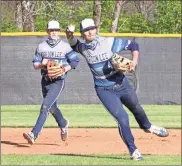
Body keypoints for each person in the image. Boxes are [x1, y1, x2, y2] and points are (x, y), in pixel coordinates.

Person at [65, 18, 168, 160]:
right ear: (82, 33)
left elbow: (133, 45)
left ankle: (148, 127)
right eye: (86, 30)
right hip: (104, 89)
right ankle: (134, 151)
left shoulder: (107, 42)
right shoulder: (83, 48)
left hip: (121, 83)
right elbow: (72, 43)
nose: (90, 32)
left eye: (92, 28)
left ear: (96, 29)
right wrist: (69, 34)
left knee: (137, 108)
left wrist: (134, 62)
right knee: (123, 119)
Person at [23, 20, 79, 145]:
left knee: (45, 107)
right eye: (51, 30)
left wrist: (64, 69)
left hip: (58, 81)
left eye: (56, 30)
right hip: (45, 80)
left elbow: (75, 61)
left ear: (59, 31)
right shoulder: (41, 46)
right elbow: (35, 64)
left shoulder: (65, 46)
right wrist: (42, 63)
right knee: (52, 108)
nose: (54, 32)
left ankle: (34, 134)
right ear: (47, 31)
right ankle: (63, 123)